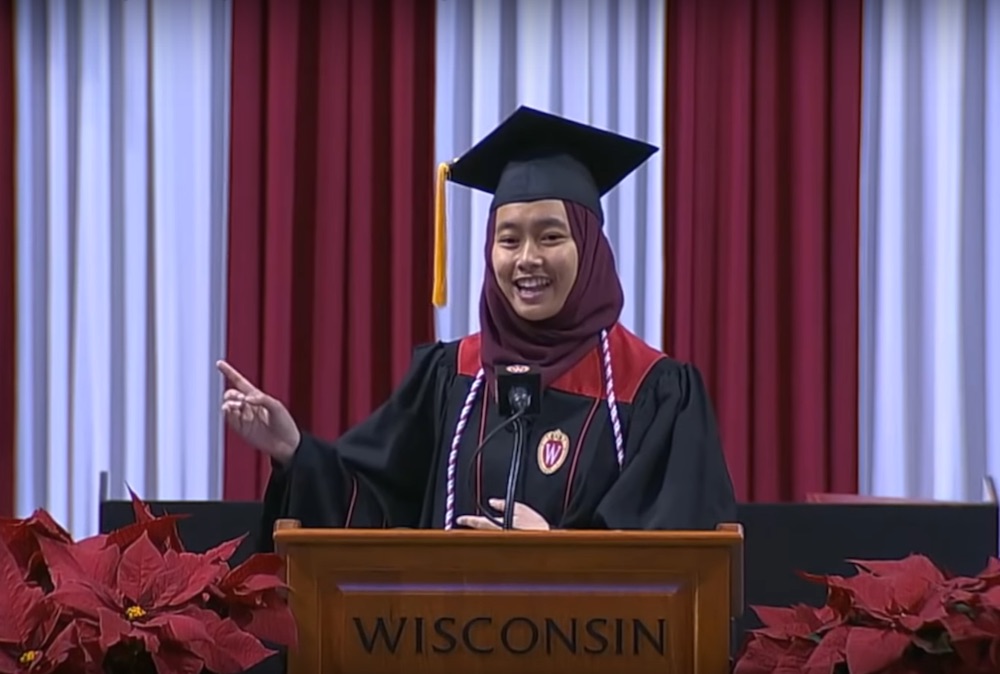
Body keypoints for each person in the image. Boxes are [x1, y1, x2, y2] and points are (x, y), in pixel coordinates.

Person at [218, 107, 736, 545]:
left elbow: (681, 558)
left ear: (591, 249)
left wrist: (558, 553)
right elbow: (373, 503)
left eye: (551, 237)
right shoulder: (451, 375)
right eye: (508, 240)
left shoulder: (655, 391)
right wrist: (295, 450)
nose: (527, 258)